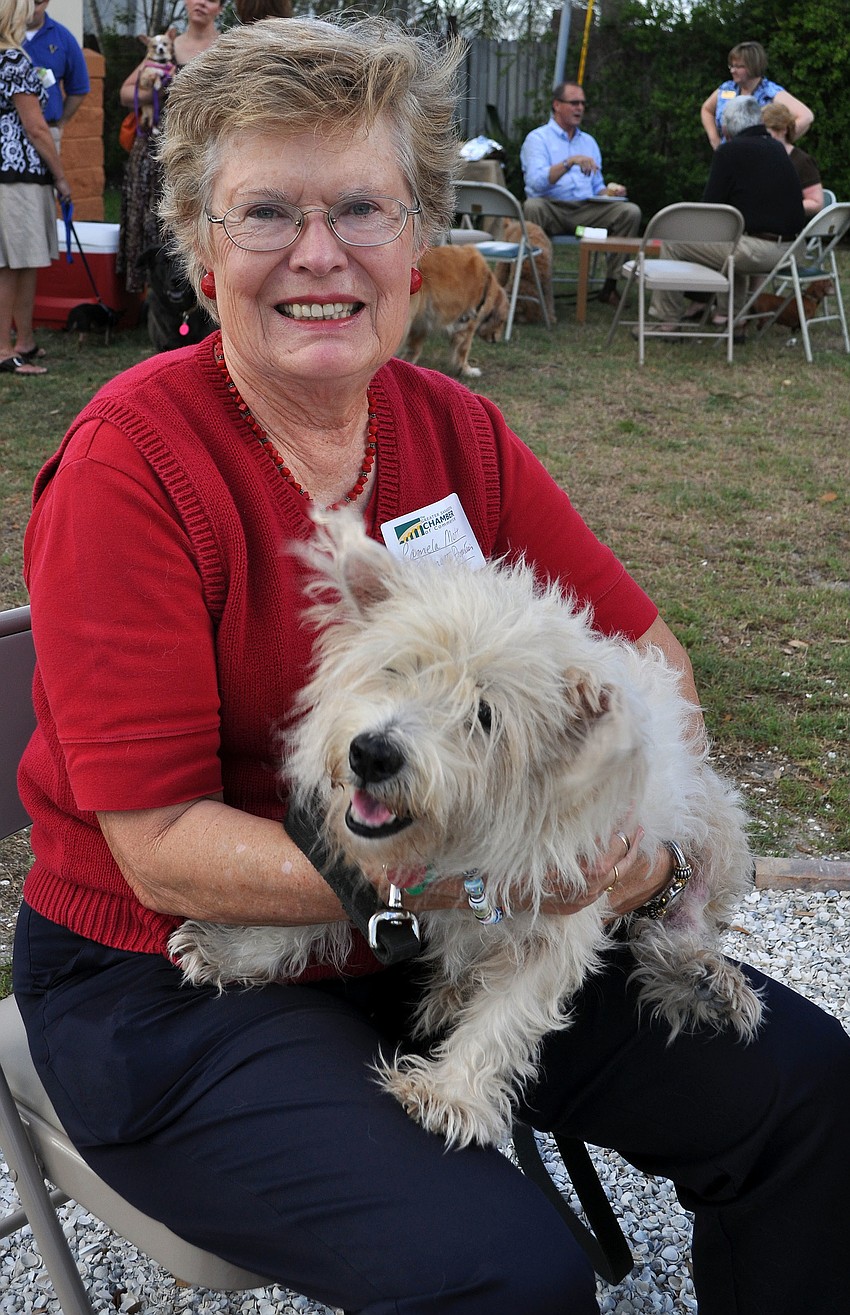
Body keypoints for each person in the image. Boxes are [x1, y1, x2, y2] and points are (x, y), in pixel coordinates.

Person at [13, 18, 849, 1315]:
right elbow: (165, 848)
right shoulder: (135, 465)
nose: (319, 253)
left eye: (362, 206)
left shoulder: (453, 428)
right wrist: (476, 867)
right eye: (265, 211)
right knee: (499, 1270)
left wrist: (630, 833)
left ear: (417, 241)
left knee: (811, 1098)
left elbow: (648, 658)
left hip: (450, 921)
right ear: (192, 237)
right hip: (180, 964)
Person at [650, 96, 806, 335]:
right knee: (735, 241)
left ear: (727, 126)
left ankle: (667, 321)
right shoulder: (777, 148)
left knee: (674, 243)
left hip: (759, 253)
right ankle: (734, 319)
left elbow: (710, 211)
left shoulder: (729, 151)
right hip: (794, 250)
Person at [116, 0, 221, 293]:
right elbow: (126, 92)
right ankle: (152, 296)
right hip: (154, 150)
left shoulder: (226, 47)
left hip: (200, 149)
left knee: (196, 220)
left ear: (220, 8)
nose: (200, 3)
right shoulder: (164, 48)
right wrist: (155, 91)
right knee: (149, 222)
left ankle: (204, 293)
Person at [520, 81, 641, 306]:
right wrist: (569, 162)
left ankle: (610, 286)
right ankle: (535, 286)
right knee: (532, 206)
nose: (580, 108)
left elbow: (597, 188)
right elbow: (535, 184)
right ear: (557, 105)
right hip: (552, 208)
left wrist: (612, 192)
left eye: (583, 103)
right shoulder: (537, 139)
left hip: (586, 213)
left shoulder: (588, 142)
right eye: (574, 103)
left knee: (629, 211)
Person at [0, 0, 70, 375]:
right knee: (10, 264)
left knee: (25, 261)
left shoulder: (10, 56)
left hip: (18, 173)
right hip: (16, 173)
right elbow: (36, 126)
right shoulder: (11, 58)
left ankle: (24, 340)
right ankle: (3, 350)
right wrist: (61, 176)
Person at [700, 39, 813, 151]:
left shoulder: (770, 92)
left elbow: (806, 116)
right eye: (731, 66)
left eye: (738, 67)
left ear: (753, 66)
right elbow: (707, 109)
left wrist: (779, 143)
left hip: (758, 161)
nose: (732, 70)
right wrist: (714, 140)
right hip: (727, 157)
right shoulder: (727, 89)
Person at [22, 0, 89, 152]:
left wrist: (60, 123)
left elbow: (79, 87)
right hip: (7, 130)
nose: (31, 9)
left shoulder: (63, 37)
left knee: (51, 175)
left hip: (47, 130)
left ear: (46, 2)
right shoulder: (5, 34)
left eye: (37, 3)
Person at [762, 101, 824, 216]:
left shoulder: (801, 161)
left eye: (766, 132)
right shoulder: (760, 158)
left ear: (783, 130)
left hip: (787, 227)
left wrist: (781, 206)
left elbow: (816, 203)